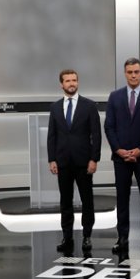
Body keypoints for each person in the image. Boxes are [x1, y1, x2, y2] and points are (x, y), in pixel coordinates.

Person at [105, 58, 140, 254]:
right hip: (120, 157)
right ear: (125, 73)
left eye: (136, 71)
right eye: (129, 72)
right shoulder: (114, 97)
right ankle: (122, 237)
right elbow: (109, 127)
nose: (133, 75)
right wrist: (118, 150)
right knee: (122, 198)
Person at [47, 69, 101, 253]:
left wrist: (94, 159)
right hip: (62, 162)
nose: (72, 83)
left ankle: (87, 236)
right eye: (68, 81)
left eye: (74, 80)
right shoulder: (55, 108)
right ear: (61, 84)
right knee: (65, 201)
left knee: (87, 201)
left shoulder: (89, 106)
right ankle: (67, 237)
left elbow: (96, 134)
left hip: (84, 162)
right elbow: (51, 136)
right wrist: (51, 159)